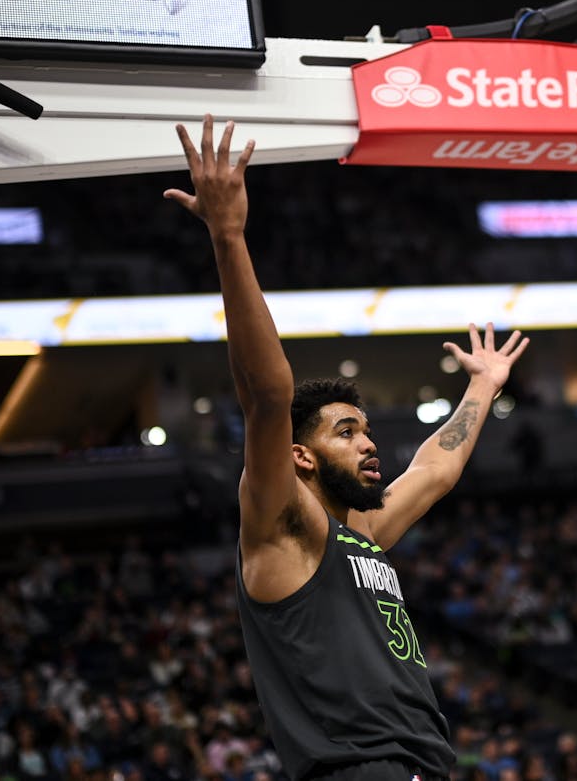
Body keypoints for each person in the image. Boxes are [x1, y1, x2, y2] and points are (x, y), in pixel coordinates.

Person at [164, 115, 530, 781]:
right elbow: (269, 395)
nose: (370, 444)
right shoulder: (286, 524)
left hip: (418, 765)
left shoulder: (364, 530)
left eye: (366, 430)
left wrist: (481, 385)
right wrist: (228, 237)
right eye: (346, 432)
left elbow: (437, 467)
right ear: (301, 456)